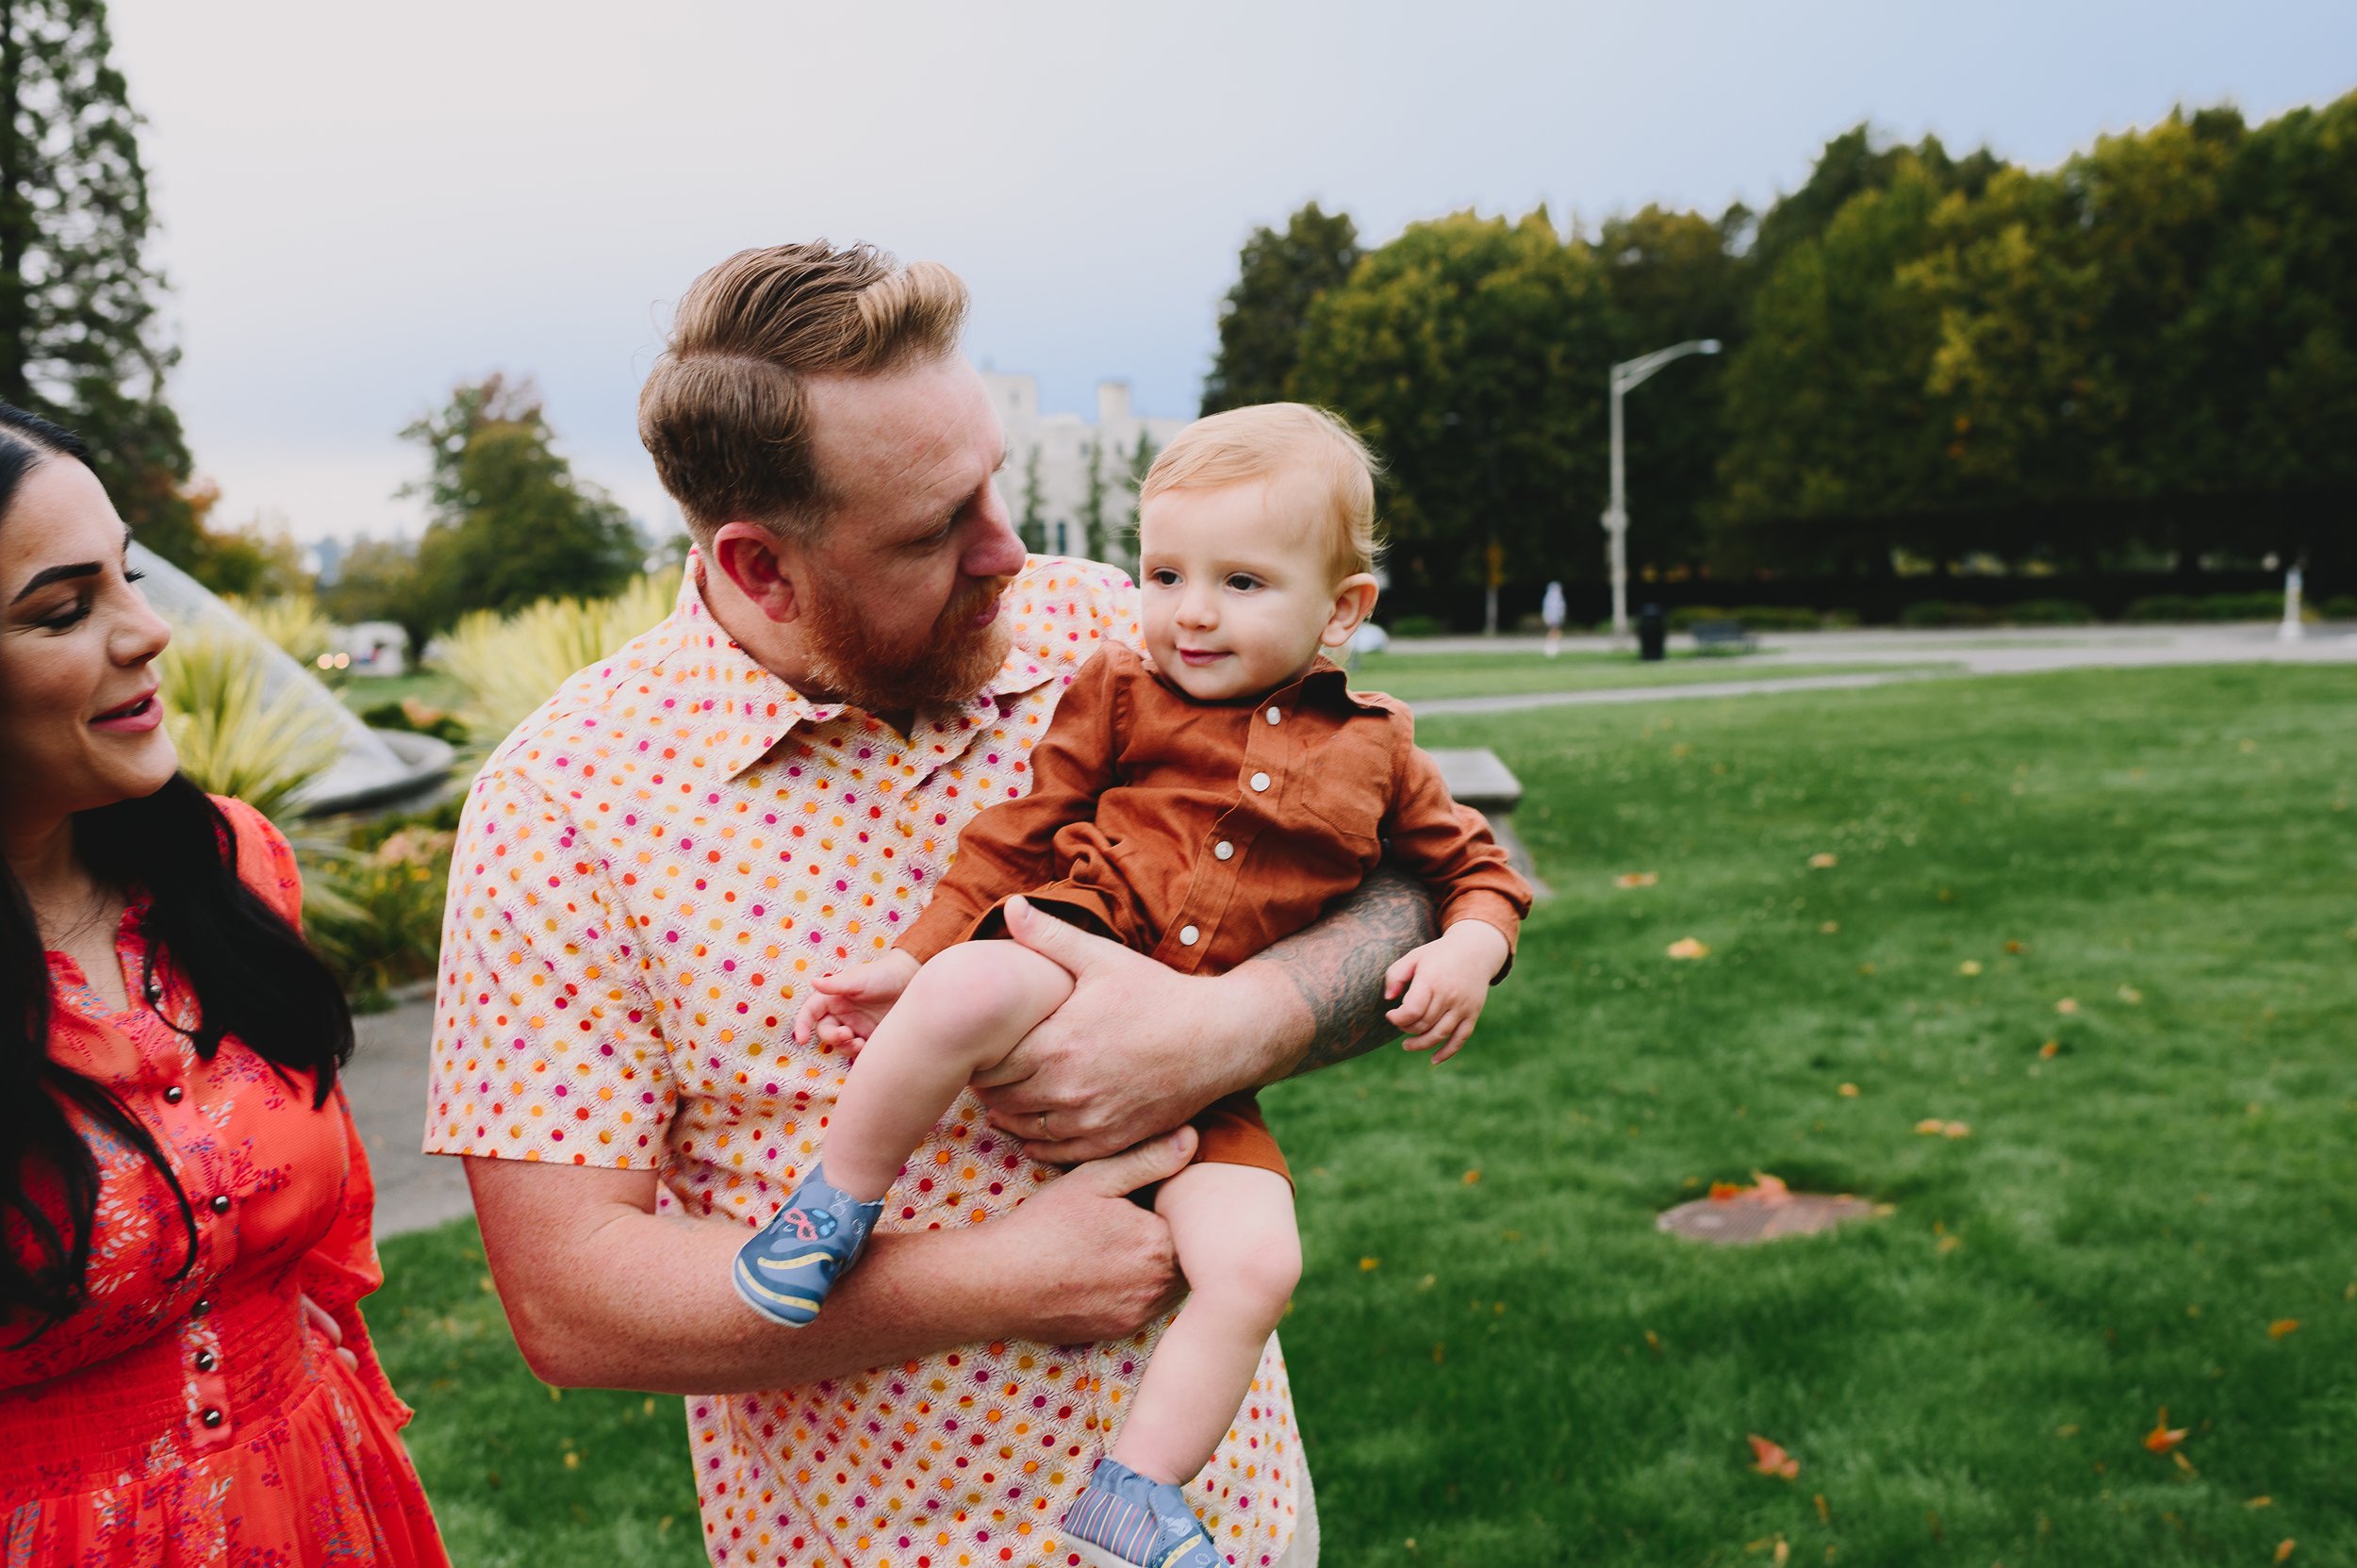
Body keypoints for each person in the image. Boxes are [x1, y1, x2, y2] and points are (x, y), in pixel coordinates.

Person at [426, 243, 1443, 1568]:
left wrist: (1235, 1026)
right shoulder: (563, 808)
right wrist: (997, 1280)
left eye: (994, 483)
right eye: (933, 529)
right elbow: (572, 1301)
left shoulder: (1123, 634)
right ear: (762, 567)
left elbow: (1415, 882)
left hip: (1241, 1523)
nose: (1009, 550)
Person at [760, 403, 1531, 1568]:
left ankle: (1136, 1485)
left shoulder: (1378, 747)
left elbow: (1472, 867)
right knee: (963, 995)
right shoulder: (1118, 686)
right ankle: (829, 1207)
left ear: (1343, 611)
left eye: (1240, 580)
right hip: (1071, 939)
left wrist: (1472, 945)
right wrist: (916, 955)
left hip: (1204, 1085)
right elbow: (1020, 833)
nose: (1192, 609)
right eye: (1165, 571)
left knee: (1260, 1261)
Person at [0, 405, 449, 1565]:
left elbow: (326, 1271)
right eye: (64, 609)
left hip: (315, 1500)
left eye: (130, 578)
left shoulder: (233, 867)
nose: (147, 631)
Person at [1541, 579, 1566, 657]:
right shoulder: (1552, 597)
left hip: (1555, 617)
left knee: (1555, 631)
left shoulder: (1553, 597)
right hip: (1553, 617)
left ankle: (1553, 644)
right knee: (1554, 631)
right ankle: (1551, 645)